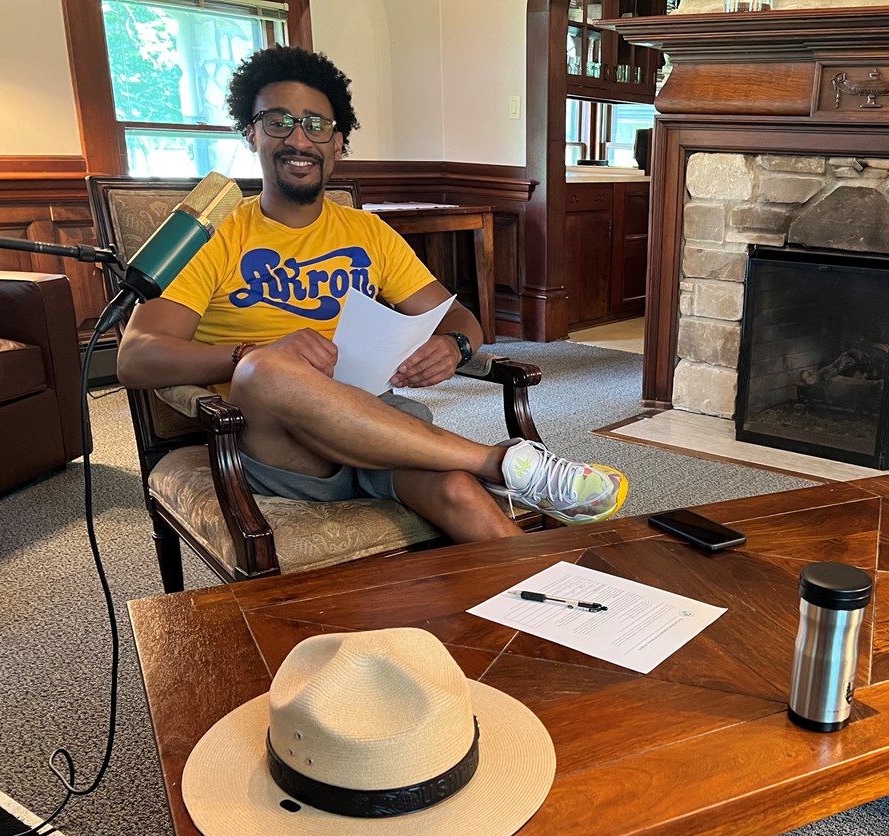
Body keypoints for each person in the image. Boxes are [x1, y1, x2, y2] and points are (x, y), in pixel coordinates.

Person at [116, 46, 628, 543]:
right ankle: (501, 462)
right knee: (265, 369)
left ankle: (555, 606)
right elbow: (136, 359)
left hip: (375, 425)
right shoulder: (215, 234)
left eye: (316, 124)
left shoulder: (370, 233)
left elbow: (461, 319)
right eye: (278, 122)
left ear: (338, 141)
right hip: (278, 448)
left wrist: (455, 347)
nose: (299, 138)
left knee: (459, 493)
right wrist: (249, 355)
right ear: (251, 134)